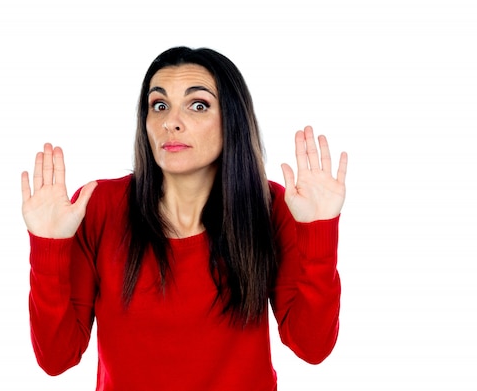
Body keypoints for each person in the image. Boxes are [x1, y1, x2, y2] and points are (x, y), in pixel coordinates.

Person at [21, 46, 348, 391]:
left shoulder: (272, 206)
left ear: (232, 119)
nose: (170, 122)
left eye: (198, 105)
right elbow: (57, 358)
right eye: (159, 105)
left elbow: (312, 347)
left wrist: (318, 232)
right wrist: (49, 247)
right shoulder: (99, 206)